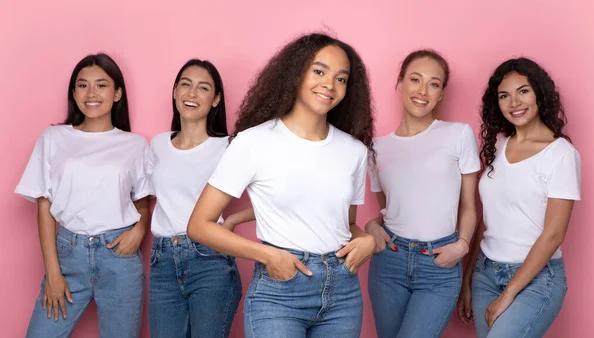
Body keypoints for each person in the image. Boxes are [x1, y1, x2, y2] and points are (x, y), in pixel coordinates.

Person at [187, 33, 376, 338]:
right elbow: (199, 225)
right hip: (280, 292)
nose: (329, 83)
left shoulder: (354, 151)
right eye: (319, 71)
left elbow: (346, 224)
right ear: (296, 72)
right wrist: (267, 255)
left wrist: (365, 240)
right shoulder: (254, 142)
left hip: (343, 292)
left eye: (341, 78)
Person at [16, 53, 150, 338]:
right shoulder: (53, 138)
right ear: (74, 92)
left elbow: (142, 201)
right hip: (68, 255)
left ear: (117, 94)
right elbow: (44, 206)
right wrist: (53, 273)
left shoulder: (135, 145)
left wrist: (139, 231)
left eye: (101, 85)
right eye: (82, 85)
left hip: (119, 258)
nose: (91, 93)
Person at [458, 57, 581, 337]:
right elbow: (488, 220)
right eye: (504, 95)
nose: (514, 102)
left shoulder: (560, 154)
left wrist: (510, 293)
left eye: (523, 91)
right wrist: (468, 279)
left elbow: (554, 234)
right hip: (486, 274)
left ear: (540, 94)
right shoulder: (499, 145)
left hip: (536, 279)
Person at [366, 49, 479, 338]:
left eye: (434, 83)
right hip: (388, 262)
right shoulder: (376, 149)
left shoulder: (459, 135)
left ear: (441, 94)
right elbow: (389, 209)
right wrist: (371, 226)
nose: (423, 91)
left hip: (439, 262)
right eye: (415, 79)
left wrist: (463, 244)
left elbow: (469, 205)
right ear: (400, 84)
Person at [146, 59, 242, 338]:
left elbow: (274, 192)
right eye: (185, 85)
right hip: (162, 259)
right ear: (175, 91)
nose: (191, 93)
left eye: (203, 88)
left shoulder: (228, 147)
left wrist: (236, 217)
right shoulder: (158, 144)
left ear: (216, 99)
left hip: (209, 258)